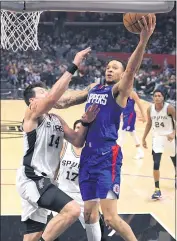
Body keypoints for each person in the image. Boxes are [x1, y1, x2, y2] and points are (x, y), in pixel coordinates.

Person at [54, 15, 156, 241]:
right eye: (108, 67)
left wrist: (142, 41)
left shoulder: (118, 92)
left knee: (110, 217)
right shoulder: (93, 88)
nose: (109, 70)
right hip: (88, 155)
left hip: (107, 155)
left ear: (121, 75)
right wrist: (41, 101)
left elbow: (131, 72)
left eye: (115, 68)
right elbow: (63, 101)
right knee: (89, 214)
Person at [16, 48, 100, 241]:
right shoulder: (32, 115)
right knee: (72, 210)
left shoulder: (56, 119)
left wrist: (86, 122)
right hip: (33, 178)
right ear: (32, 101)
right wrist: (75, 64)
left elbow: (77, 140)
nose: (47, 95)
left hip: (45, 181)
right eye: (42, 93)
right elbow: (53, 98)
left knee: (33, 234)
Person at [52, 119, 106, 241]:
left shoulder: (93, 150)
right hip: (63, 193)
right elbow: (55, 167)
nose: (79, 130)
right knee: (52, 230)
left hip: (83, 197)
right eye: (76, 127)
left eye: (82, 128)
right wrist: (52, 184)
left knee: (98, 229)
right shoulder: (65, 145)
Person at [142, 89, 176, 199]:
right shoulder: (150, 109)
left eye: (159, 96)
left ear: (163, 97)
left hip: (169, 138)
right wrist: (143, 138)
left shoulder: (169, 108)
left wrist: (173, 133)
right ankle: (157, 189)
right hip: (157, 138)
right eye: (155, 96)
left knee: (174, 161)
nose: (157, 97)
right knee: (156, 163)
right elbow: (149, 123)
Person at [118, 90, 146, 159]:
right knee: (132, 133)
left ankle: (118, 151)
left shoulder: (132, 93)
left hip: (130, 115)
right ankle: (140, 151)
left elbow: (139, 103)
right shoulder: (121, 92)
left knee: (122, 132)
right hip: (124, 115)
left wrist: (143, 115)